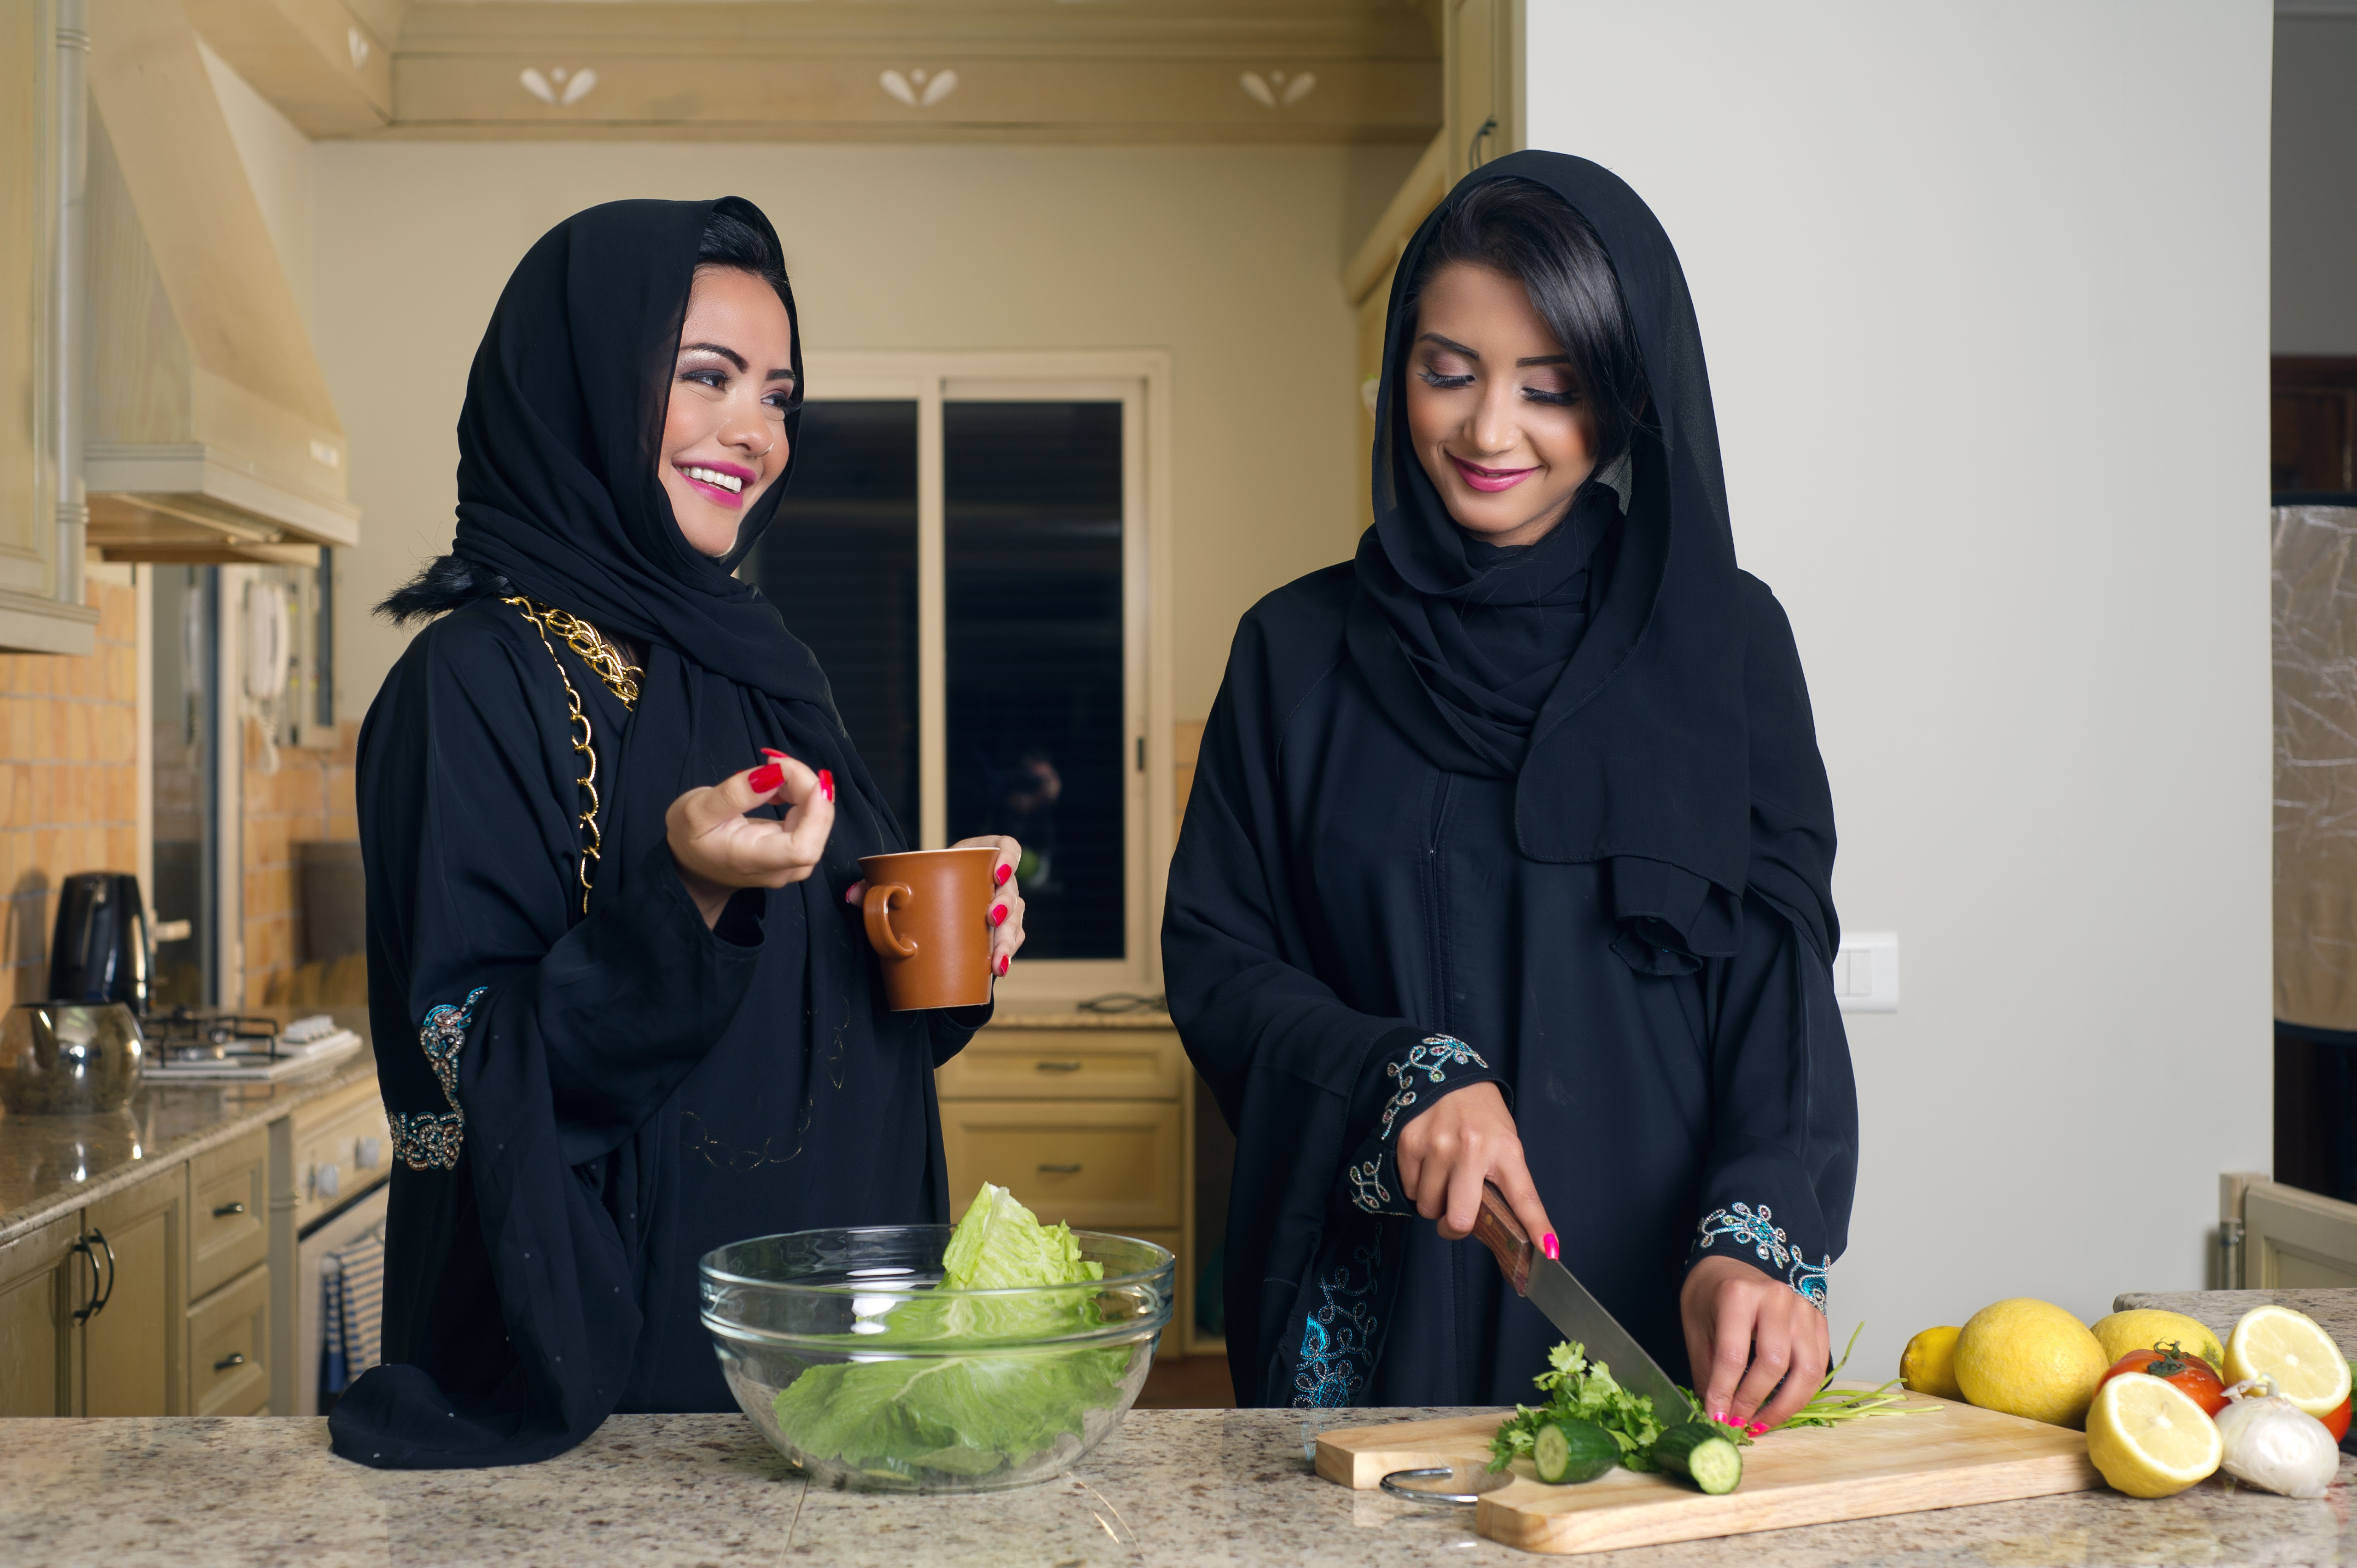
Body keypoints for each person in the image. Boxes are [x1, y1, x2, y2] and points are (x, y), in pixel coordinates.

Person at [1163, 152, 1857, 1431]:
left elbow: (1780, 969)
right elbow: (1221, 966)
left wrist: (1759, 1227)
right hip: (1388, 1321)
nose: (1490, 433)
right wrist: (1400, 1071)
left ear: (1628, 400)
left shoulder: (1727, 645)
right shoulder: (1293, 653)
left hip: (1667, 1312)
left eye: (1552, 389)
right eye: (1449, 374)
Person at [335, 197, 1027, 1468]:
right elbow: (462, 1066)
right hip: (630, 1386)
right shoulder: (473, 685)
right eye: (705, 377)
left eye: (779, 396)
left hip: (839, 1359)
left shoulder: (766, 670)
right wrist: (687, 901)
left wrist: (955, 930)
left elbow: (848, 1029)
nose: (752, 433)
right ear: (584, 386)